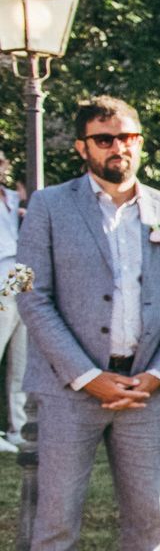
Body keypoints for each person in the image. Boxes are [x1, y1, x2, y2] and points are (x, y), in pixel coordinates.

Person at [16, 96, 160, 551]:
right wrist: (89, 378)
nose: (118, 147)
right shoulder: (47, 206)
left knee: (147, 510)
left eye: (128, 137)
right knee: (58, 513)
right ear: (82, 147)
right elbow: (29, 293)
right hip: (73, 386)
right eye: (104, 138)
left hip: (145, 388)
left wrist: (156, 373)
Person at [0, 158, 29, 452]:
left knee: (23, 357)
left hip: (22, 274)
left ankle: (18, 427)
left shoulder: (12, 196)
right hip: (0, 276)